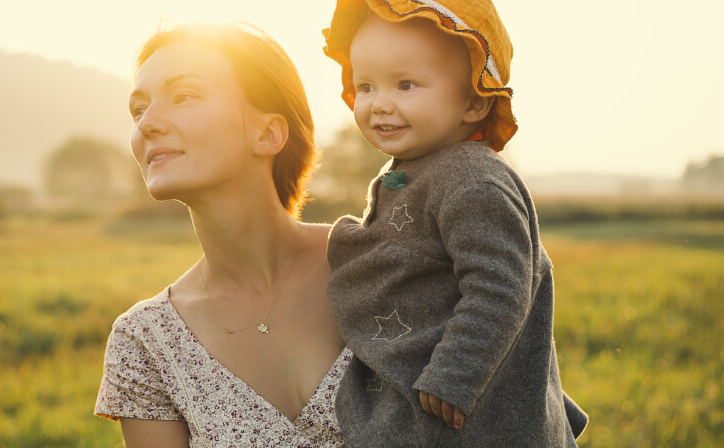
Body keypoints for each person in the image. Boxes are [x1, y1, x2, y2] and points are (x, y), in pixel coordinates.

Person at [321, 0, 588, 446]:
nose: (380, 103)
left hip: (471, 418)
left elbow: (500, 287)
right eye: (365, 85)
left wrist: (454, 375)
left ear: (474, 100)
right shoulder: (421, 170)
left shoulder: (473, 180)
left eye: (406, 85)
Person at [94, 23, 349, 446]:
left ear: (267, 133)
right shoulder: (145, 343)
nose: (148, 124)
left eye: (184, 96)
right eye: (138, 111)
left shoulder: (379, 259)